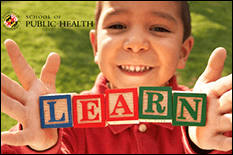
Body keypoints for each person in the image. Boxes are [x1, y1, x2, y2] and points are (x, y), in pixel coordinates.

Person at [1, 1, 232, 154]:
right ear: (96, 48)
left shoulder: (211, 121)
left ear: (183, 52)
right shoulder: (65, 121)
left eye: (159, 28)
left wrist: (202, 146)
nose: (136, 43)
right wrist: (38, 147)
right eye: (118, 25)